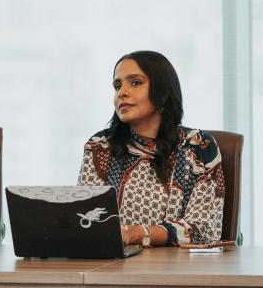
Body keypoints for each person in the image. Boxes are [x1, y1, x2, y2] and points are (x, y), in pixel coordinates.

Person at [76, 51, 225, 247]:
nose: (122, 92)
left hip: (178, 264)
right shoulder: (101, 145)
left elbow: (204, 229)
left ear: (162, 91)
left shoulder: (198, 146)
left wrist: (137, 234)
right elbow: (86, 220)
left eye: (135, 83)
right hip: (112, 262)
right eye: (118, 86)